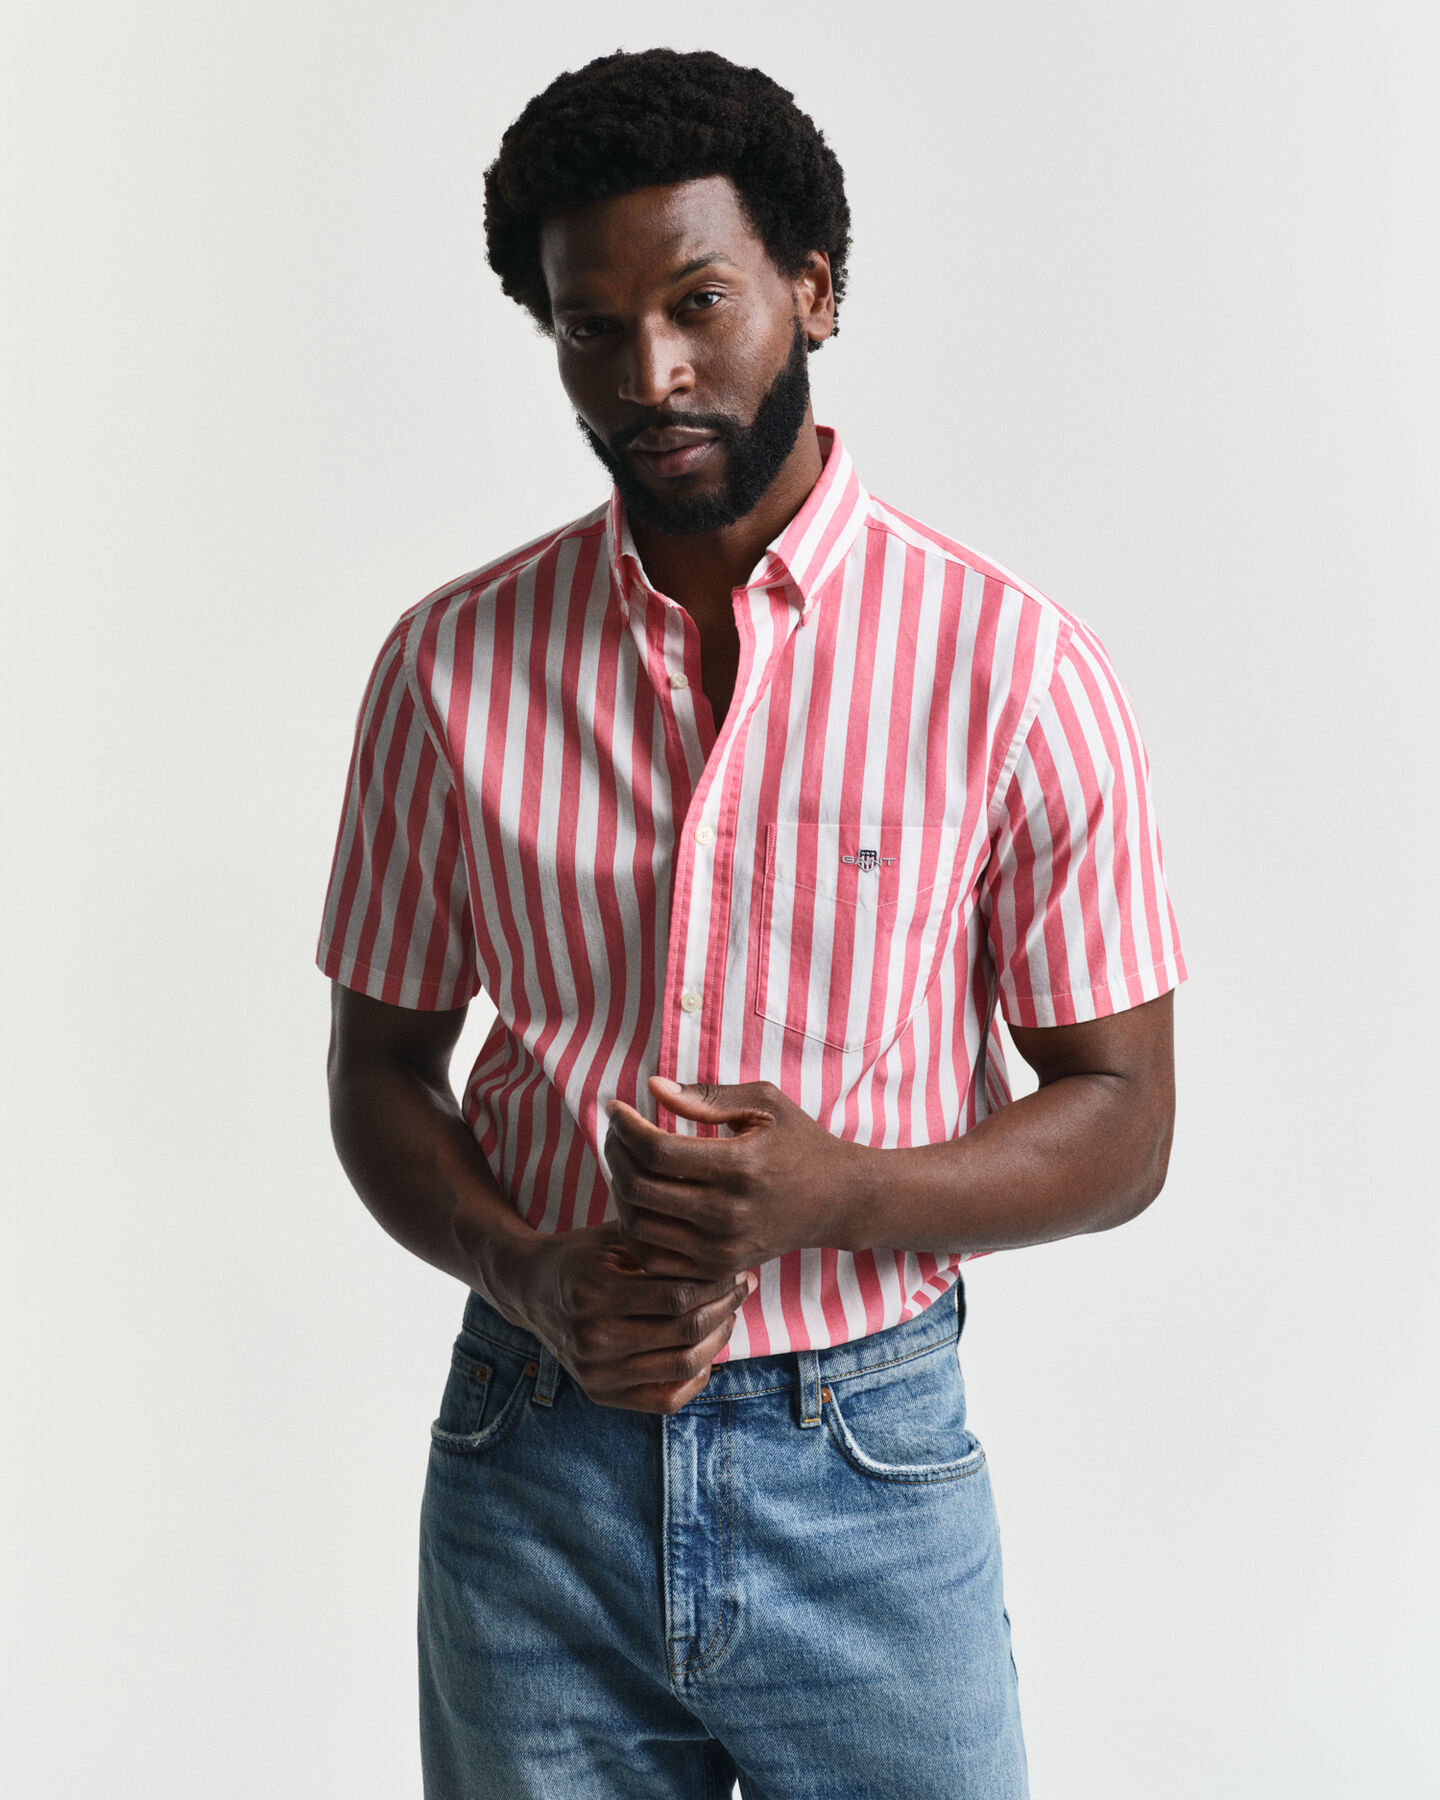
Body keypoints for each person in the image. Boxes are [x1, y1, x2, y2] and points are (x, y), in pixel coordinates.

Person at [318, 46, 1185, 1800]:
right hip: (530, 1459)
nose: (649, 375)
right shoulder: (447, 667)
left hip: (862, 1468)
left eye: (699, 304)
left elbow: (1125, 1120)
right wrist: (530, 1273)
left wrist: (841, 1191)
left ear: (814, 289)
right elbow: (381, 1068)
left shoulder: (1011, 668)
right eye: (591, 327)